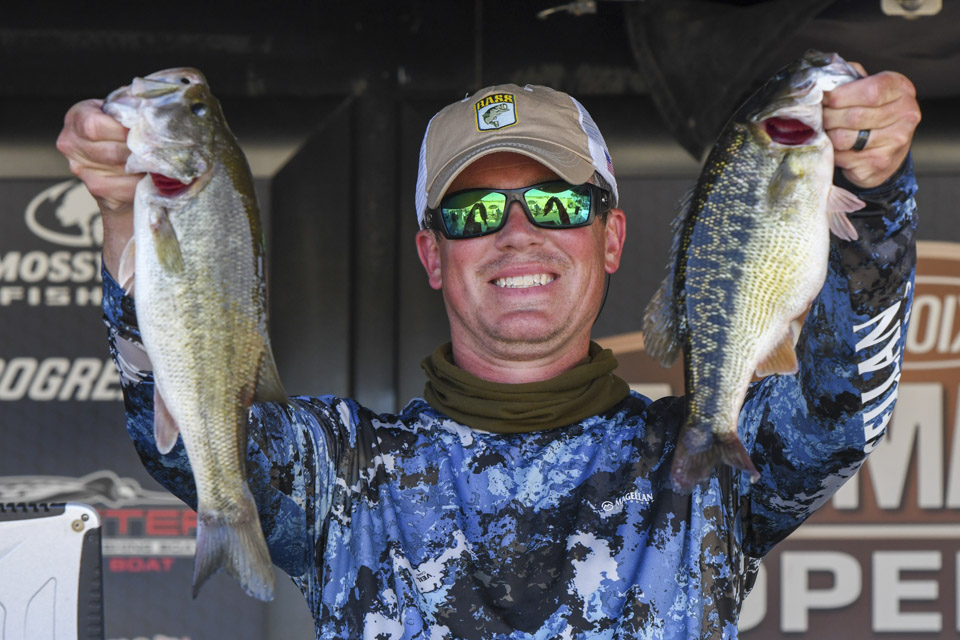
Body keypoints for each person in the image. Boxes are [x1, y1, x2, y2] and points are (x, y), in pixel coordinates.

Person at [58, 68, 919, 638]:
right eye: (473, 214)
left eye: (556, 204)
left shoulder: (705, 459)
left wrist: (872, 190)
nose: (516, 234)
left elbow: (847, 407)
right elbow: (186, 440)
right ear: (433, 255)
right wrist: (128, 215)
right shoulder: (339, 471)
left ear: (611, 237)